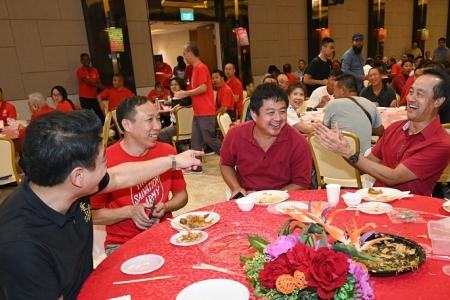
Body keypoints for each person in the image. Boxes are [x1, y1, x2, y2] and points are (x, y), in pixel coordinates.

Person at [0, 109, 202, 299]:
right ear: (78, 177)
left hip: (92, 287)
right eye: (104, 161)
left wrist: (173, 161)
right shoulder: (21, 245)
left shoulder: (61, 185)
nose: (109, 168)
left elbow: (119, 177)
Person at [315, 68, 450, 196]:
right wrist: (343, 149)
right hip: (376, 203)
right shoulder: (395, 128)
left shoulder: (440, 143)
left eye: (420, 94)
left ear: (438, 101)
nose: (411, 98)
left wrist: (349, 152)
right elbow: (365, 165)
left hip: (410, 213)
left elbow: (393, 177)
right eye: (410, 92)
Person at [90, 96, 188, 255]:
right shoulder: (105, 161)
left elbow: (181, 195)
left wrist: (166, 207)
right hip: (123, 243)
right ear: (127, 125)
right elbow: (93, 215)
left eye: (158, 118)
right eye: (149, 120)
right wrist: (129, 212)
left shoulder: (167, 153)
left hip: (165, 235)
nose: (157, 126)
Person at [220, 83, 312, 196]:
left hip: (284, 199)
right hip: (246, 197)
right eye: (271, 112)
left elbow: (302, 183)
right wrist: (236, 188)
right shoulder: (236, 134)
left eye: (282, 111)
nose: (278, 118)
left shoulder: (298, 141)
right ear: (254, 114)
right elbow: (226, 164)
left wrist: (269, 197)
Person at [174, 42, 222, 170]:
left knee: (209, 139)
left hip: (206, 111)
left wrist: (186, 93)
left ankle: (231, 157)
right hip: (199, 111)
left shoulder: (201, 67)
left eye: (185, 54)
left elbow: (203, 88)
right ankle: (195, 166)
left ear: (190, 53)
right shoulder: (195, 69)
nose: (184, 57)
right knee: (195, 140)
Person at [324, 73, 383, 153]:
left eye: (335, 90)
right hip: (365, 160)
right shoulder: (370, 104)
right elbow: (380, 131)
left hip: (339, 159)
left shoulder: (332, 104)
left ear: (342, 90)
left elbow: (324, 130)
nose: (333, 95)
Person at [157, 77, 192, 145]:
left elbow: (186, 101)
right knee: (164, 128)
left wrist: (174, 108)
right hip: (181, 125)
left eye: (176, 84)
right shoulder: (177, 97)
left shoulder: (184, 96)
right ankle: (178, 148)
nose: (173, 86)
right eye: (172, 85)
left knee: (160, 134)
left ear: (181, 85)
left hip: (181, 127)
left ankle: (170, 151)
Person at [76, 53, 103, 121]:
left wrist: (101, 87)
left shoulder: (94, 70)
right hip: (85, 97)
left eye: (87, 59)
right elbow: (88, 82)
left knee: (100, 115)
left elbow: (98, 80)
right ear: (81, 61)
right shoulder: (80, 71)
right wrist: (101, 87)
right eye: (84, 59)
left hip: (94, 97)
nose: (86, 60)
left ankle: (104, 129)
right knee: (86, 116)